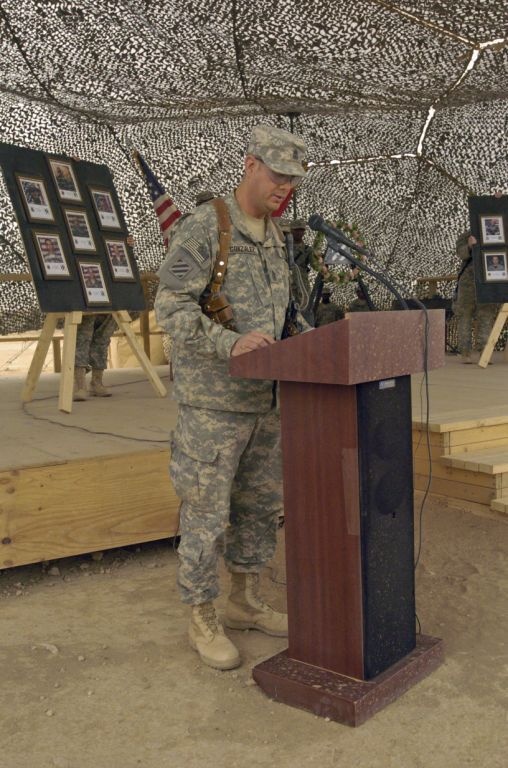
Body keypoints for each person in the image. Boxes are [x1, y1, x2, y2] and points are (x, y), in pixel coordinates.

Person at [154, 124, 308, 670]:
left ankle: (243, 600)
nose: (284, 187)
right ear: (250, 165)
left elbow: (286, 313)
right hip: (214, 408)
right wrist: (231, 342)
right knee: (206, 515)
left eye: (292, 178)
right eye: (276, 174)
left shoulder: (275, 236)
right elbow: (170, 307)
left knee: (259, 509)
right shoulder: (204, 228)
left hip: (266, 404)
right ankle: (201, 616)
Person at [73, 235, 135, 400]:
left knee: (103, 338)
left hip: (112, 290)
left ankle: (96, 382)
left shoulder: (109, 228)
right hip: (88, 288)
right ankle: (79, 385)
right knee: (82, 337)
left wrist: (127, 246)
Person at [453, 231, 498, 363]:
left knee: (486, 315)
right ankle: (465, 353)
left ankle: (484, 352)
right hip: (468, 281)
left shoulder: (498, 233)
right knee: (465, 316)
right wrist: (469, 246)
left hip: (488, 278)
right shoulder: (468, 235)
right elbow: (461, 253)